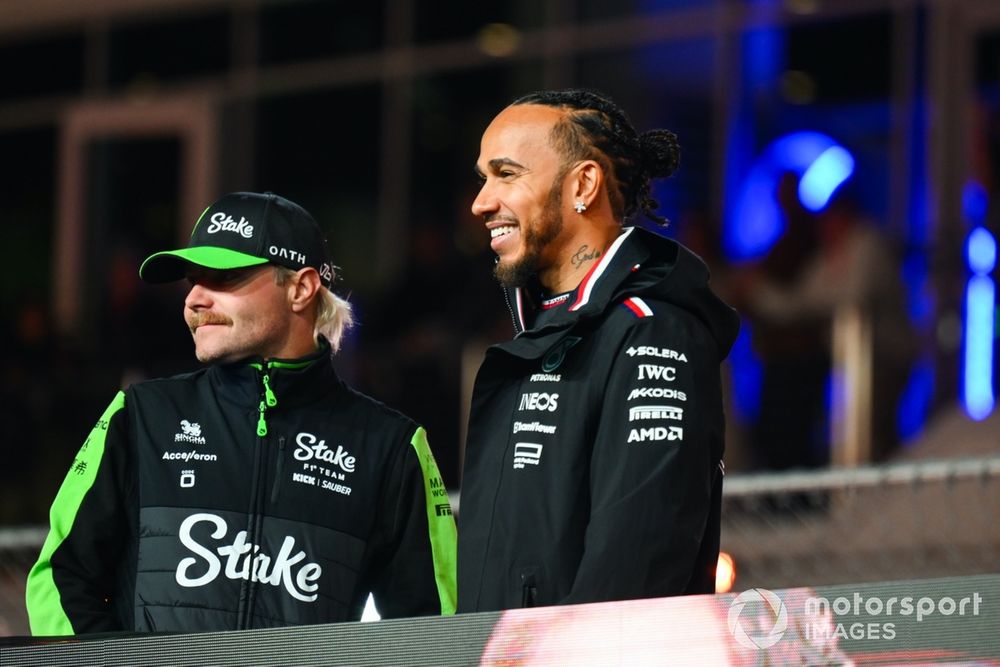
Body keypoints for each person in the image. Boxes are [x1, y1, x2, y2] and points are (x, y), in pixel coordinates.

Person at [26, 191, 457, 635]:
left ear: (301, 288)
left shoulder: (393, 448)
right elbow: (58, 580)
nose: (194, 300)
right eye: (193, 280)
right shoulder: (138, 415)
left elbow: (434, 633)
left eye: (222, 278)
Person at [457, 90, 740, 612]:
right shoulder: (541, 334)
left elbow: (636, 568)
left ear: (582, 184)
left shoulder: (652, 333)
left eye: (507, 174)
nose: (482, 202)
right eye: (483, 178)